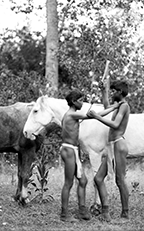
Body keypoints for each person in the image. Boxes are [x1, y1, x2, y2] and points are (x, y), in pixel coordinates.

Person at [87, 79, 130, 220]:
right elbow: (106, 106)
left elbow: (116, 124)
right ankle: (105, 212)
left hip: (118, 145)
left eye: (113, 91)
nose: (112, 93)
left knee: (120, 180)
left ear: (120, 92)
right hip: (112, 146)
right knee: (98, 178)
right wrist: (103, 91)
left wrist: (97, 116)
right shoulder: (118, 105)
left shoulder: (124, 106)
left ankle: (125, 214)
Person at [59, 89, 91, 222]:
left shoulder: (71, 115)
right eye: (81, 100)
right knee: (68, 183)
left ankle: (82, 211)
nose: (83, 103)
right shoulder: (72, 115)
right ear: (73, 102)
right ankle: (64, 214)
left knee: (83, 180)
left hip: (72, 150)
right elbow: (94, 116)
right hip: (69, 150)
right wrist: (112, 108)